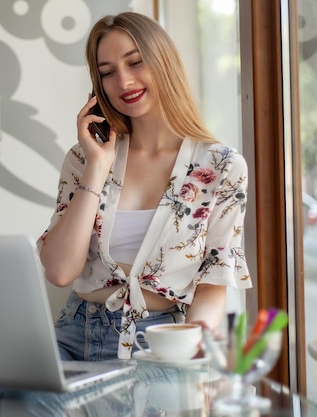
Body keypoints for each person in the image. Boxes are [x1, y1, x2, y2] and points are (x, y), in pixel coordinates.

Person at [37, 12, 252, 361]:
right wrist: (97, 168)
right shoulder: (85, 157)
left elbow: (213, 280)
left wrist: (193, 352)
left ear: (164, 63)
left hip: (158, 342)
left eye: (135, 62)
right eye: (107, 72)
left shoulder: (222, 166)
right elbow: (60, 272)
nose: (123, 81)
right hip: (71, 337)